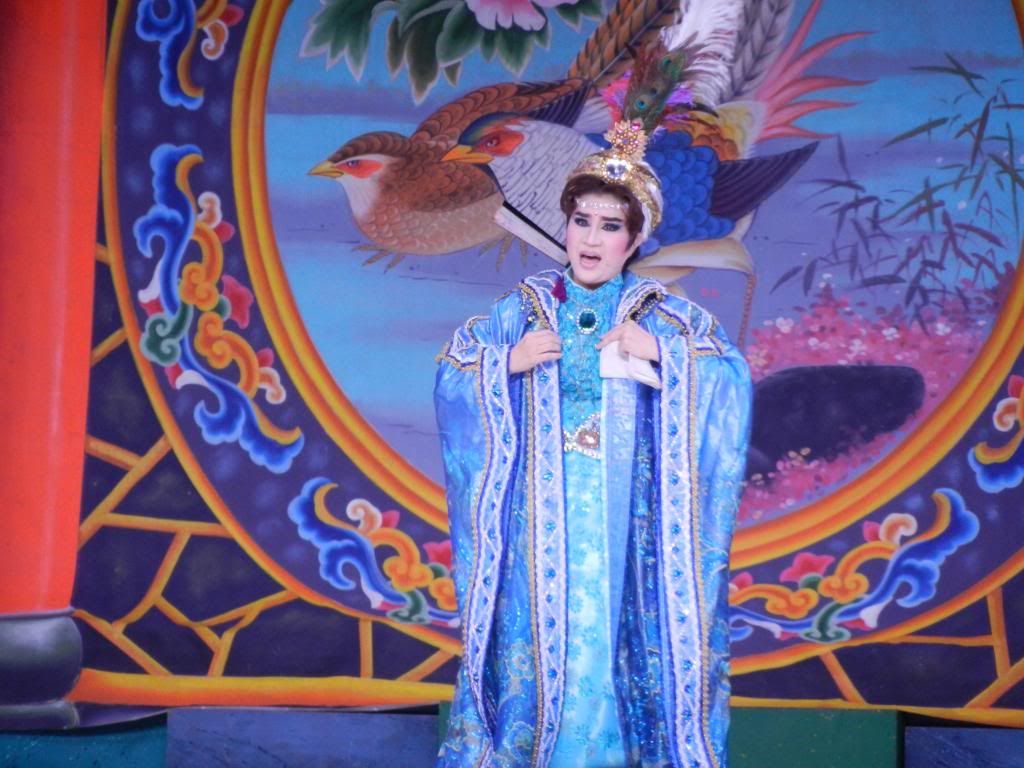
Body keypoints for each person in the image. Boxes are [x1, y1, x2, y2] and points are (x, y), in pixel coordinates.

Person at [434, 116, 752, 768]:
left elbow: (730, 383)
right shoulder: (522, 310)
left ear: (634, 239)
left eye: (610, 226)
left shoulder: (666, 316)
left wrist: (663, 355)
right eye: (582, 220)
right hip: (537, 524)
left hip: (627, 526)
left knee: (613, 643)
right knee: (544, 643)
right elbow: (454, 373)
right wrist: (507, 363)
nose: (591, 238)